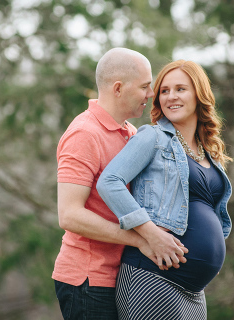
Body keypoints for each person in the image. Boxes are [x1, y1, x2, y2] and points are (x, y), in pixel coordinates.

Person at [53, 48, 189, 320]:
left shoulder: (131, 132)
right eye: (144, 86)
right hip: (88, 281)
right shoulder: (84, 133)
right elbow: (69, 215)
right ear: (118, 88)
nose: (151, 94)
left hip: (125, 277)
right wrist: (143, 238)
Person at [97, 60, 233, 320]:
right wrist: (149, 233)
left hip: (193, 291)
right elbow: (109, 182)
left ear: (198, 94)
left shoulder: (207, 152)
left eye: (180, 89)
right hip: (152, 279)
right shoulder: (153, 137)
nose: (171, 97)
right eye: (164, 91)